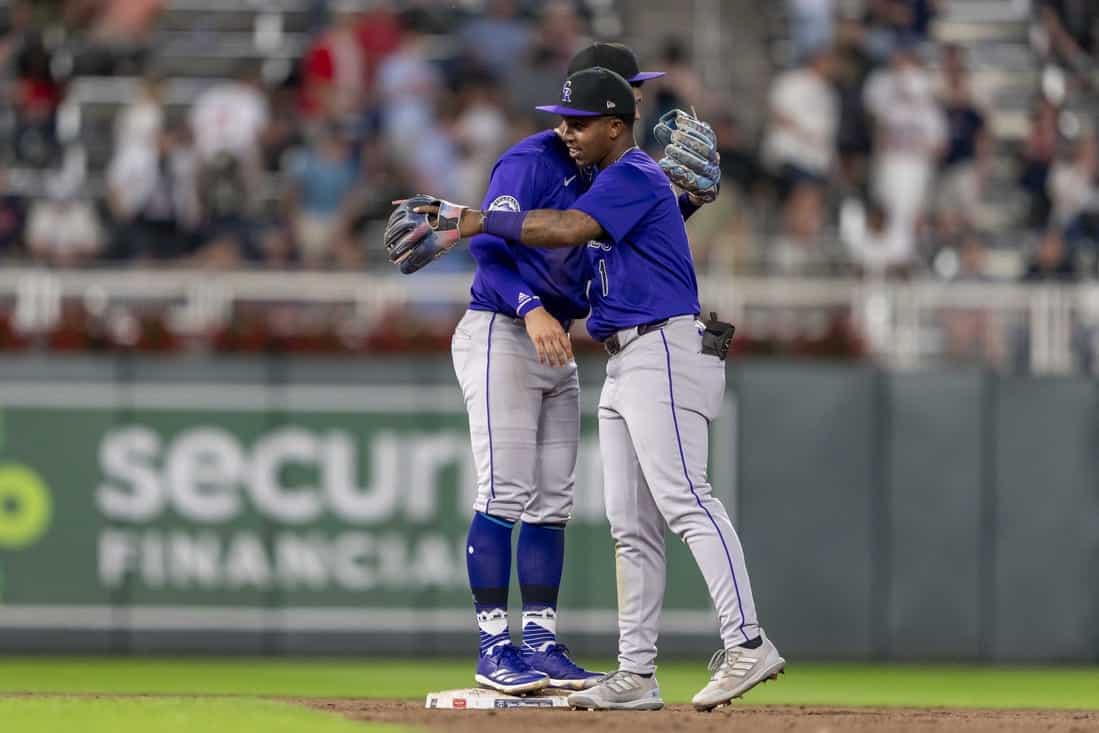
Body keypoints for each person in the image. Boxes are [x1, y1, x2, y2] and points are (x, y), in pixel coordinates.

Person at [385, 67, 776, 711]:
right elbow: (610, 241)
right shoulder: (596, 177)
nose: (566, 131)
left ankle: (747, 642)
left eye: (580, 122)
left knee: (685, 500)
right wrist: (685, 204)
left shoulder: (630, 173)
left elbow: (568, 229)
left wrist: (469, 220)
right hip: (622, 355)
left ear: (616, 126)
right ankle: (637, 673)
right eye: (564, 120)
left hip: (662, 346)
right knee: (630, 526)